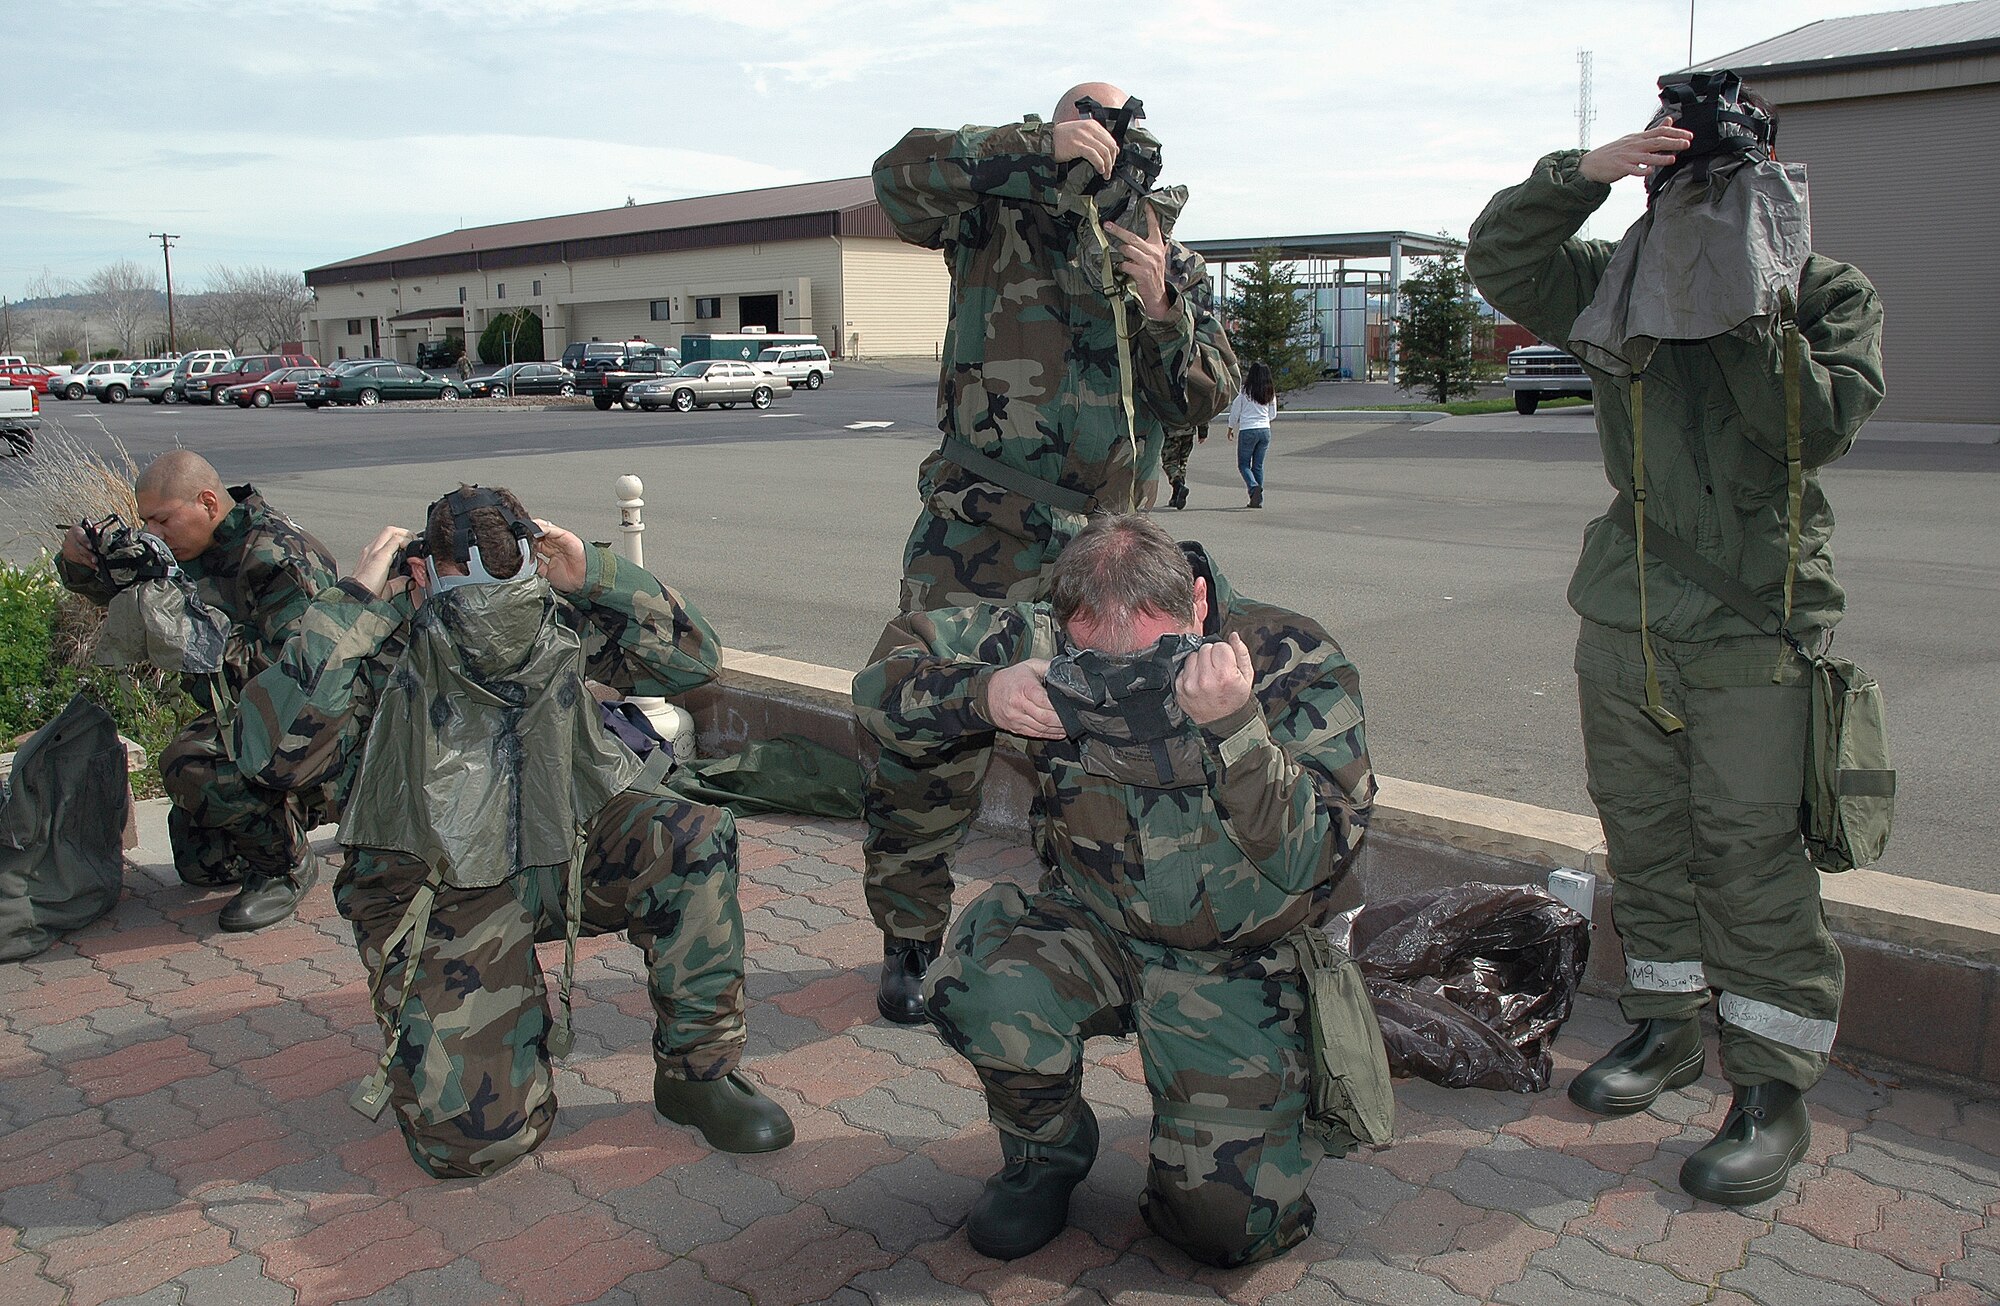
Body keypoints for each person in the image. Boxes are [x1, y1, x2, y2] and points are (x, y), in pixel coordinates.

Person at [1467, 77, 1884, 1206]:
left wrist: (1751, 298)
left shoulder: (1820, 292)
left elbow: (1814, 424)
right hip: (1627, 615)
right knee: (1643, 837)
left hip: (1752, 620)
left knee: (1750, 855)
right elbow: (1499, 261)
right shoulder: (1617, 282)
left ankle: (1769, 1088)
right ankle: (1661, 1029)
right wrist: (1586, 173)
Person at [855, 514, 1376, 1266]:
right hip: (1094, 926)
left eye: (1154, 658)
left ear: (1200, 602)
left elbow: (1313, 859)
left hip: (1239, 961)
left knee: (1224, 1233)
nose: (1126, 680)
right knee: (987, 988)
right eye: (1097, 665)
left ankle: (1228, 1130)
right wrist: (983, 693)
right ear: (1062, 625)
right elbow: (881, 677)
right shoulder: (1037, 640)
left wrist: (1236, 729)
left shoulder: (1289, 657)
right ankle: (1048, 1153)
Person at [232, 485, 793, 1177]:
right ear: (419, 576)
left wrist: (595, 573)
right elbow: (270, 756)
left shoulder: (551, 612)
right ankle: (501, 1017)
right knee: (480, 1146)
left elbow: (694, 661)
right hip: (436, 887)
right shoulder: (375, 640)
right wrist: (347, 605)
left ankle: (697, 1076)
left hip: (564, 850)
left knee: (690, 834)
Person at [865, 82, 1242, 1021]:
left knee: (1101, 738)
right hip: (980, 537)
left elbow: (1207, 394)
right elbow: (899, 174)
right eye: (1086, 110)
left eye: (1118, 119)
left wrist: (1164, 304)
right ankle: (910, 932)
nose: (1103, 131)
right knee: (930, 744)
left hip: (1107, 552)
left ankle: (1076, 930)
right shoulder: (995, 206)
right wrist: (1031, 146)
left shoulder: (1160, 244)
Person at [57, 452, 337, 931]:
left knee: (189, 763)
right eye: (146, 521)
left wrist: (187, 622)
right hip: (252, 716)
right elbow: (112, 589)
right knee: (201, 866)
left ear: (208, 502)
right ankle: (277, 816)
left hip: (321, 726)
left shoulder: (278, 556)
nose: (154, 534)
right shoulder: (193, 546)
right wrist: (79, 560)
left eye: (162, 519)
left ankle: (284, 868)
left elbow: (297, 676)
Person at [1226, 362, 1277, 509]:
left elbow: (1235, 410)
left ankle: (1253, 486)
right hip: (1265, 430)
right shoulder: (1270, 392)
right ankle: (1257, 499)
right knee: (1258, 466)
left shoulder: (1244, 391)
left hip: (1248, 429)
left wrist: (1231, 426)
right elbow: (1272, 414)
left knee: (1243, 464)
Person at [1159, 421, 1206, 510]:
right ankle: (1176, 495)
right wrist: (1203, 431)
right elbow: (1201, 410)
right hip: (1188, 430)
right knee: (1182, 462)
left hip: (1171, 430)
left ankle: (1178, 486)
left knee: (1169, 463)